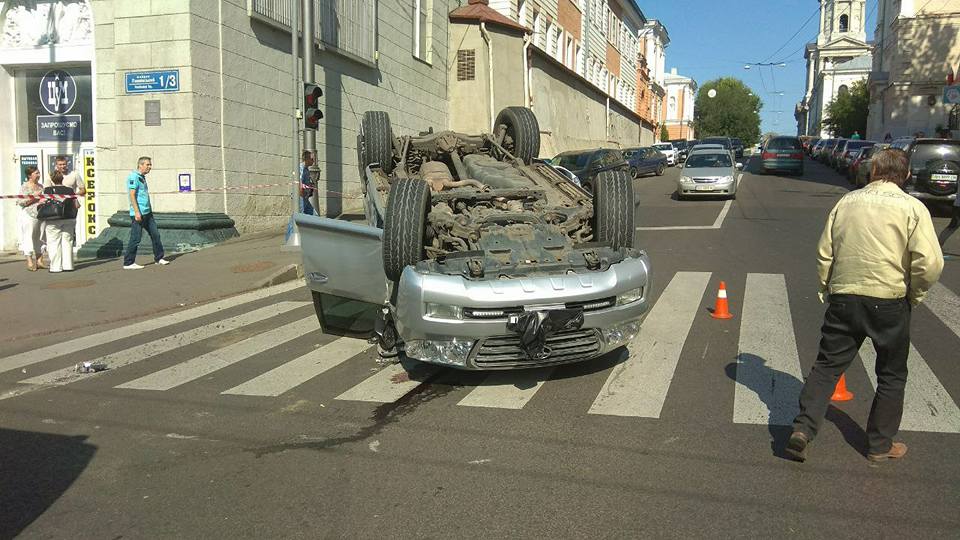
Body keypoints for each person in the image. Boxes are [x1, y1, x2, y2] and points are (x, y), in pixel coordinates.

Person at [786, 148, 944, 463]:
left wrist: (826, 288)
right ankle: (879, 445)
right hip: (889, 300)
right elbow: (930, 262)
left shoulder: (846, 203)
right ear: (907, 175)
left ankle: (802, 429)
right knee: (891, 374)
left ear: (872, 172)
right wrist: (915, 293)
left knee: (827, 366)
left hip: (844, 297)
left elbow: (825, 252)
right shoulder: (913, 207)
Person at [122, 156, 169, 270]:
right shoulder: (133, 177)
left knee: (155, 235)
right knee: (136, 238)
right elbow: (132, 195)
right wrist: (137, 212)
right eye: (147, 165)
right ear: (140, 165)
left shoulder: (142, 177)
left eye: (150, 165)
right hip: (139, 214)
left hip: (148, 213)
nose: (150, 167)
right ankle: (128, 262)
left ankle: (159, 258)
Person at [41, 171, 80, 273]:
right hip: (68, 218)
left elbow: (41, 203)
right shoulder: (69, 190)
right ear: (62, 179)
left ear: (52, 180)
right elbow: (76, 205)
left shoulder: (47, 190)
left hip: (53, 219)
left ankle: (55, 267)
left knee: (53, 242)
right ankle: (68, 265)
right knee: (67, 241)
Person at [17, 166, 44, 271]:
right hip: (28, 214)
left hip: (40, 214)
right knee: (28, 236)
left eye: (38, 173)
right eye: (36, 173)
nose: (38, 175)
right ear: (29, 175)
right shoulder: (24, 186)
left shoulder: (41, 186)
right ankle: (29, 261)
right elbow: (21, 202)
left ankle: (40, 260)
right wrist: (34, 197)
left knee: (40, 236)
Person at [300, 150, 315, 215]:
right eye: (312, 159)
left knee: (313, 215)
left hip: (304, 197)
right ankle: (291, 226)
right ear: (307, 159)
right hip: (300, 197)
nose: (313, 161)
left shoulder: (306, 169)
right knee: (300, 217)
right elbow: (299, 183)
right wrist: (302, 195)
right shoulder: (301, 168)